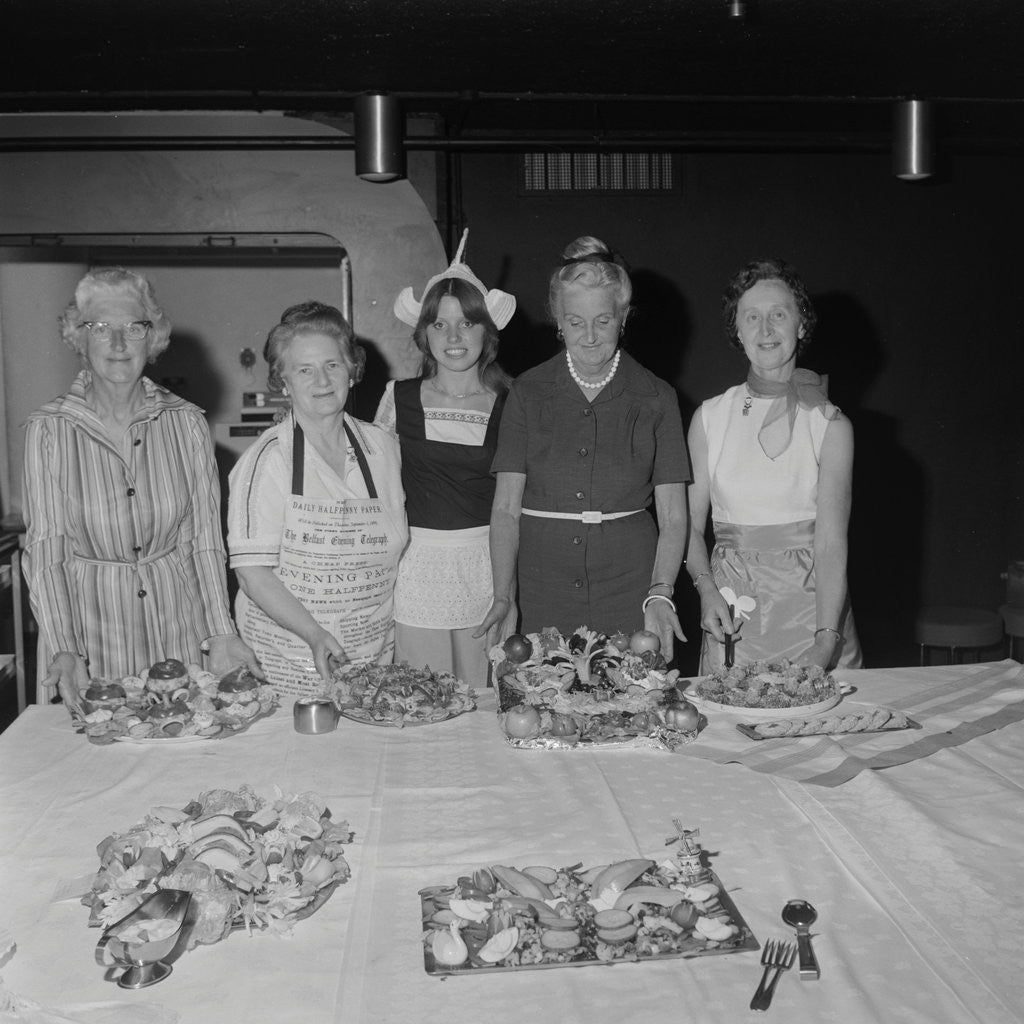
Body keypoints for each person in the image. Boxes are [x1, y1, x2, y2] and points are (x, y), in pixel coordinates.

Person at [23, 266, 261, 715]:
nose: (118, 343)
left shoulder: (186, 422)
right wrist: (63, 646)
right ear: (79, 337)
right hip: (88, 644)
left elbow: (203, 540)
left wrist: (221, 631)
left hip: (178, 635)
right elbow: (46, 551)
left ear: (153, 339)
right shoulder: (49, 429)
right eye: (100, 327)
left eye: (133, 327)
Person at [479, 236, 690, 658]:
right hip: (541, 587)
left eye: (603, 321)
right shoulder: (526, 392)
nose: (590, 336)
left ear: (623, 317)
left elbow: (673, 515)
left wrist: (660, 592)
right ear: (558, 320)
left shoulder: (657, 397)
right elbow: (505, 510)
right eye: (575, 322)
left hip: (631, 589)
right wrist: (504, 594)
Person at [686, 257, 862, 671]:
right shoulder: (709, 418)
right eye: (752, 317)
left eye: (778, 315)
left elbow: (831, 544)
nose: (765, 330)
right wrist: (706, 590)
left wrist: (826, 640)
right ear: (738, 330)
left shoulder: (832, 425)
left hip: (814, 620)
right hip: (733, 618)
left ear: (801, 325)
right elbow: (689, 529)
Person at [227, 301, 407, 698]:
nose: (321, 380)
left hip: (372, 660)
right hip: (289, 662)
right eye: (304, 370)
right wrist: (314, 634)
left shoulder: (383, 449)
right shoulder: (266, 461)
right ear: (283, 381)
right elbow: (253, 574)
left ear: (352, 371)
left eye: (332, 365)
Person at [376, 230, 516, 683]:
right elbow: (373, 487)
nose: (453, 336)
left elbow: (516, 507)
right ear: (424, 334)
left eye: (467, 323)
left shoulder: (512, 402)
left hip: (486, 574)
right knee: (421, 699)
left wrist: (508, 590)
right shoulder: (398, 397)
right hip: (415, 575)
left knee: (486, 699)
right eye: (439, 324)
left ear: (486, 331)